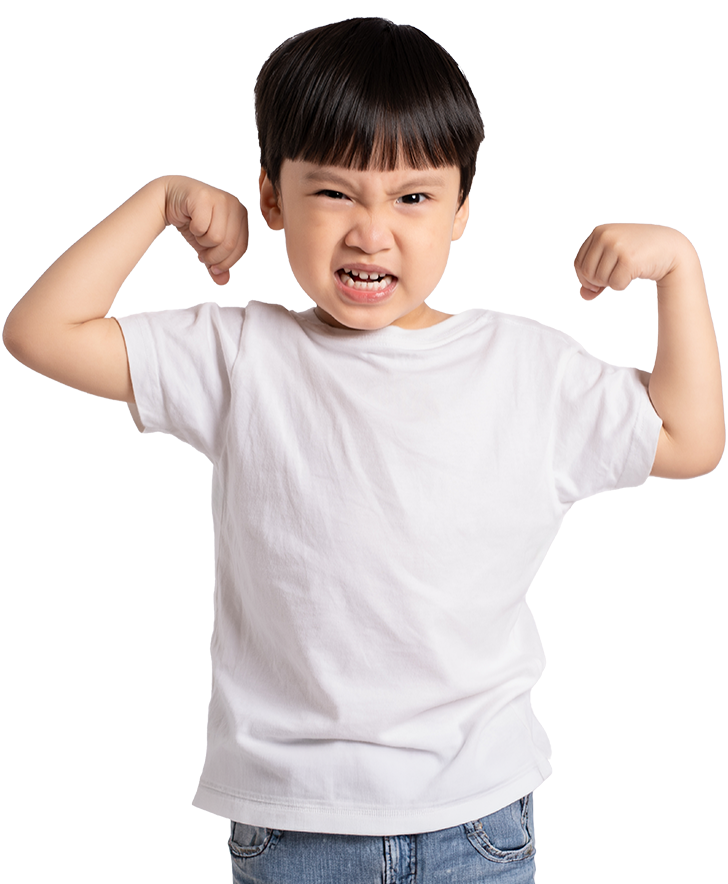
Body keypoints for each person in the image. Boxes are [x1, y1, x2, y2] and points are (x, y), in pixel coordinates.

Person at [3, 17, 723, 884]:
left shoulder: (522, 370)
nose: (372, 233)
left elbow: (688, 440)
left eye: (413, 197)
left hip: (477, 815)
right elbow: (43, 333)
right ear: (272, 199)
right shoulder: (237, 354)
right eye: (335, 193)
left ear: (462, 210)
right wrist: (159, 199)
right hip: (295, 823)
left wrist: (681, 270)